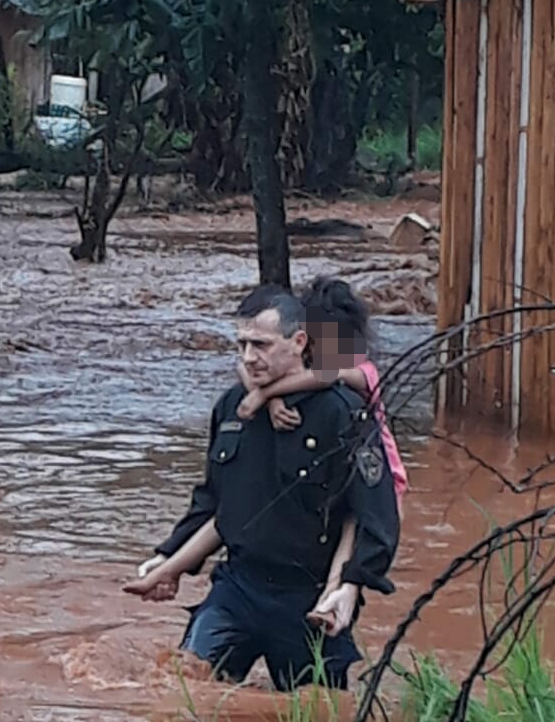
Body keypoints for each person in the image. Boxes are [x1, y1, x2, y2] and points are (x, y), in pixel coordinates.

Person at [125, 284, 400, 691]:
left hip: (307, 600)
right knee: (183, 692)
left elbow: (371, 513)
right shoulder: (233, 408)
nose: (249, 357)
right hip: (236, 587)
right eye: (242, 345)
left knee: (323, 717)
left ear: (299, 342)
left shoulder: (342, 414)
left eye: (261, 345)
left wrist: (349, 587)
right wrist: (169, 557)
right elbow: (215, 503)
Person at [238, 276, 409, 502]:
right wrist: (272, 401)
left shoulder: (363, 372)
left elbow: (328, 376)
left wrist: (264, 394)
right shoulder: (307, 369)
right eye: (317, 341)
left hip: (385, 475)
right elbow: (241, 366)